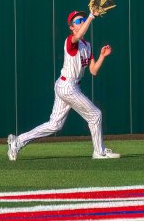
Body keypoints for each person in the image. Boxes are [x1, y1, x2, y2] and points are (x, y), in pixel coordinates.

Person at [7, 9, 120, 160]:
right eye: (78, 21)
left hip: (69, 86)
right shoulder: (70, 41)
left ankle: (17, 141)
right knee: (95, 115)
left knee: (55, 125)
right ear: (72, 27)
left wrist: (102, 56)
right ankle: (99, 152)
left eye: (83, 19)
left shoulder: (87, 45)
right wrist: (91, 16)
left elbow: (93, 71)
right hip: (67, 86)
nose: (82, 22)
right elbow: (78, 36)